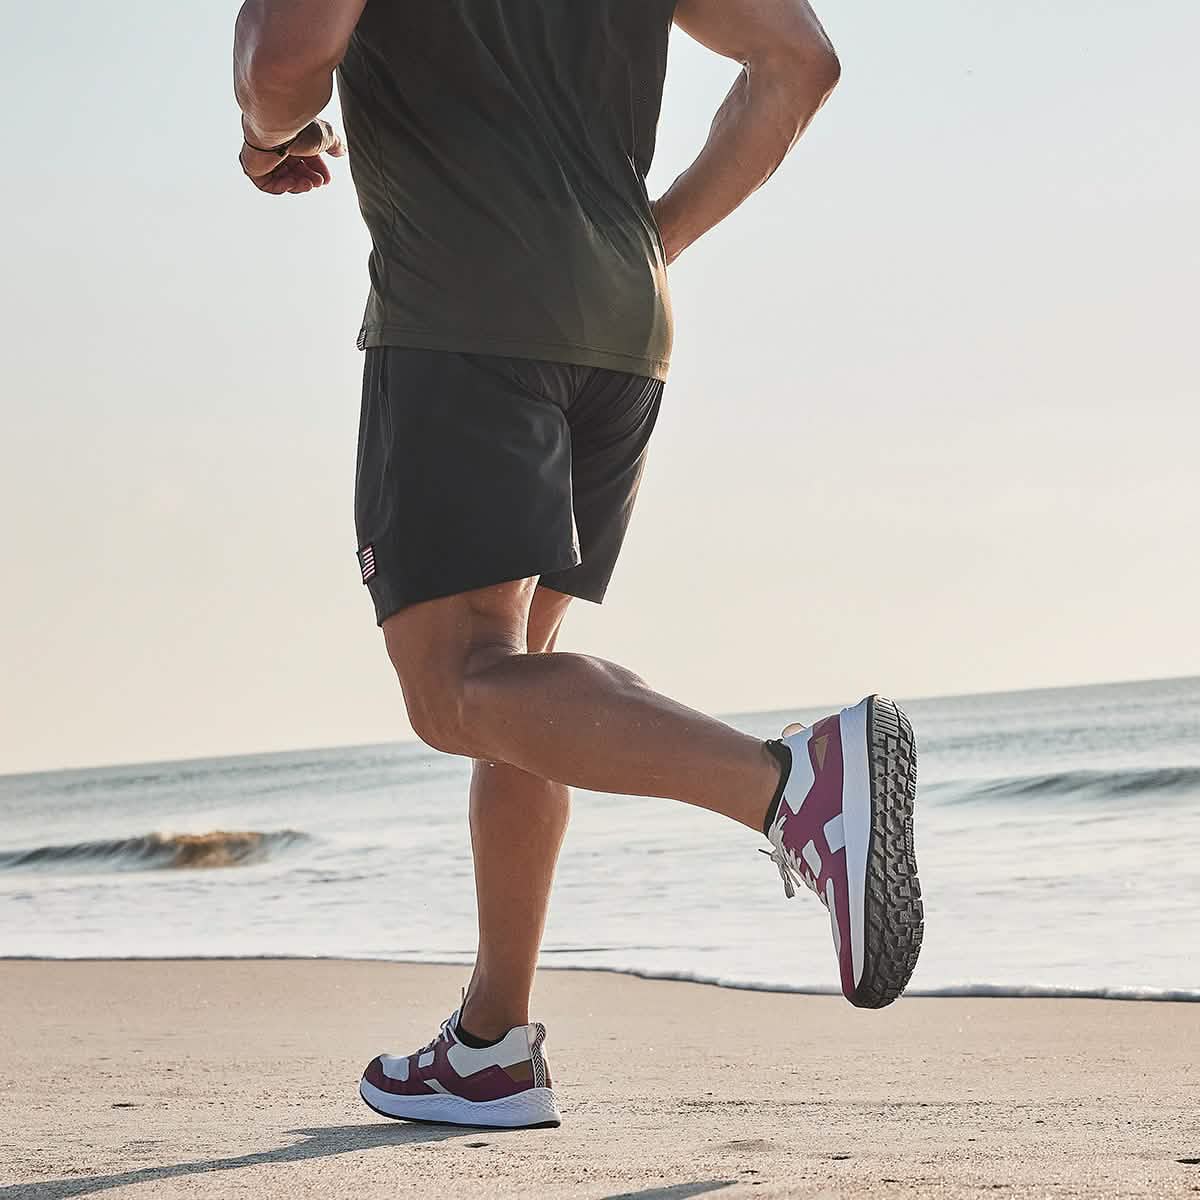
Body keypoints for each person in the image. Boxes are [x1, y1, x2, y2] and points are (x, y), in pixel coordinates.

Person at [233, 0, 923, 1130]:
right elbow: (799, 62)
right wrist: (650, 241)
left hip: (466, 314)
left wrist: (263, 130)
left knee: (458, 686)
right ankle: (493, 1046)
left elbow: (287, 60)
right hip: (621, 325)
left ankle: (791, 786)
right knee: (521, 685)